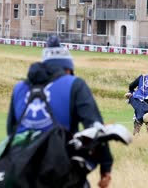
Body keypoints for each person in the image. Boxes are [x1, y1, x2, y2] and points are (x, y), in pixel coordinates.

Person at [7, 36, 112, 188]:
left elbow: (11, 131)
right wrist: (106, 167)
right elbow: (96, 128)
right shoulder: (74, 84)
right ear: (68, 69)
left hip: (21, 172)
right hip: (60, 172)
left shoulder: (19, 88)